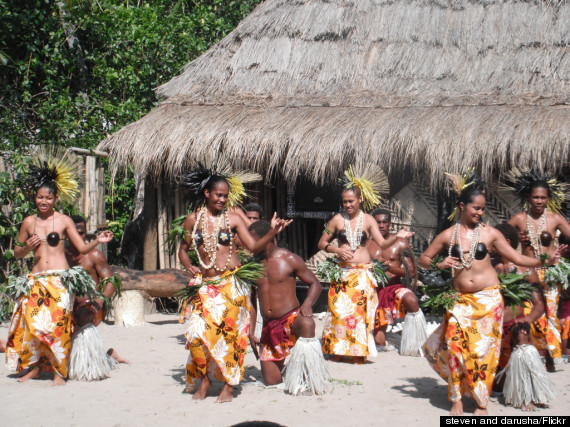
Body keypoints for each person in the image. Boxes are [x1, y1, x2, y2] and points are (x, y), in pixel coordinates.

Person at [419, 171, 564, 415]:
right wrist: (439, 264)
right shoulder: (447, 235)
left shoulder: (490, 234)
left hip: (488, 299)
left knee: (483, 353)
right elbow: (424, 258)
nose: (479, 213)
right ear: (462, 206)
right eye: (475, 208)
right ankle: (456, 399)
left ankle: (481, 403)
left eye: (482, 209)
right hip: (460, 300)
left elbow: (517, 257)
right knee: (455, 349)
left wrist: (546, 261)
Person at [179, 162, 290, 403]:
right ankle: (205, 380)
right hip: (204, 286)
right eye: (218, 195)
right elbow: (184, 250)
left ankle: (229, 385)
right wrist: (187, 264)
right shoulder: (192, 221)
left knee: (231, 336)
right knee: (196, 335)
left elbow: (253, 247)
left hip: (231, 284)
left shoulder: (234, 219)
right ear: (207, 193)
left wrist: (271, 232)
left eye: (226, 196)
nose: (222, 199)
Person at [5, 149, 113, 386]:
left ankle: (58, 371)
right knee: (33, 325)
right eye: (39, 197)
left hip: (60, 280)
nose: (43, 202)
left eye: (48, 198)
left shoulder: (63, 221)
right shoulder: (28, 222)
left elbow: (82, 249)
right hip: (36, 279)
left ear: (56, 199)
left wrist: (98, 240)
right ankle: (34, 368)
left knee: (58, 326)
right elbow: (17, 253)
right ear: (35, 197)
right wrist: (26, 248)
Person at [318, 165, 413, 363]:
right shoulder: (337, 220)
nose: (348, 205)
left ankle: (358, 353)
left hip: (362, 274)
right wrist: (336, 250)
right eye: (344, 202)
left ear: (360, 200)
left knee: (360, 314)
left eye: (351, 201)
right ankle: (337, 350)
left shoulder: (368, 220)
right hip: (343, 273)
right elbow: (321, 243)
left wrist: (398, 237)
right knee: (338, 312)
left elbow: (384, 242)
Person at [247, 220, 328, 395]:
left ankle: (308, 374)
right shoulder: (253, 266)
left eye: (252, 240)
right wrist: (251, 332)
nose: (249, 245)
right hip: (269, 326)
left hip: (290, 319)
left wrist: (307, 304)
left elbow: (315, 283)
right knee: (271, 381)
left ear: (266, 239)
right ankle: (290, 368)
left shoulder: (289, 258)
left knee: (307, 323)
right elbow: (252, 301)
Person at [506, 170, 570, 363]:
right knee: (529, 311)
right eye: (535, 197)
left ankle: (553, 354)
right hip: (526, 273)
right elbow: (501, 238)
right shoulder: (519, 218)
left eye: (543, 197)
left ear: (548, 198)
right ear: (529, 197)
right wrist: (517, 238)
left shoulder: (555, 218)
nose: (539, 201)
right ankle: (533, 349)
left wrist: (564, 252)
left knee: (551, 311)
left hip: (551, 273)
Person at [65, 215, 128, 380]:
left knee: (83, 311)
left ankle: (102, 359)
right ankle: (109, 355)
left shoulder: (93, 255)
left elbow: (111, 282)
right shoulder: (61, 256)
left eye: (82, 233)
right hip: (66, 307)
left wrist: (99, 300)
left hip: (90, 308)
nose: (79, 237)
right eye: (75, 233)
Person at [368, 208, 427, 356]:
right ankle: (395, 336)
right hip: (373, 291)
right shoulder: (366, 244)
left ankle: (416, 343)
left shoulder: (400, 243)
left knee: (412, 299)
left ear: (390, 224)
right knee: (379, 342)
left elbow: (411, 272)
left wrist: (390, 268)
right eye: (377, 222)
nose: (381, 225)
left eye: (384, 222)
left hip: (394, 287)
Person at [492, 223, 547, 377]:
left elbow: (539, 304)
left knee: (521, 336)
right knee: (496, 385)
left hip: (514, 326)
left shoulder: (525, 269)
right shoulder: (488, 267)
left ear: (506, 241)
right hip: (490, 325)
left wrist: (527, 320)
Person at [497, 322, 556, 411]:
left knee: (533, 377)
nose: (517, 331)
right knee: (522, 378)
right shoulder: (516, 333)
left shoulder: (521, 333)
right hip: (518, 354)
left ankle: (533, 399)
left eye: (519, 329)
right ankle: (526, 400)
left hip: (528, 353)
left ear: (524, 331)